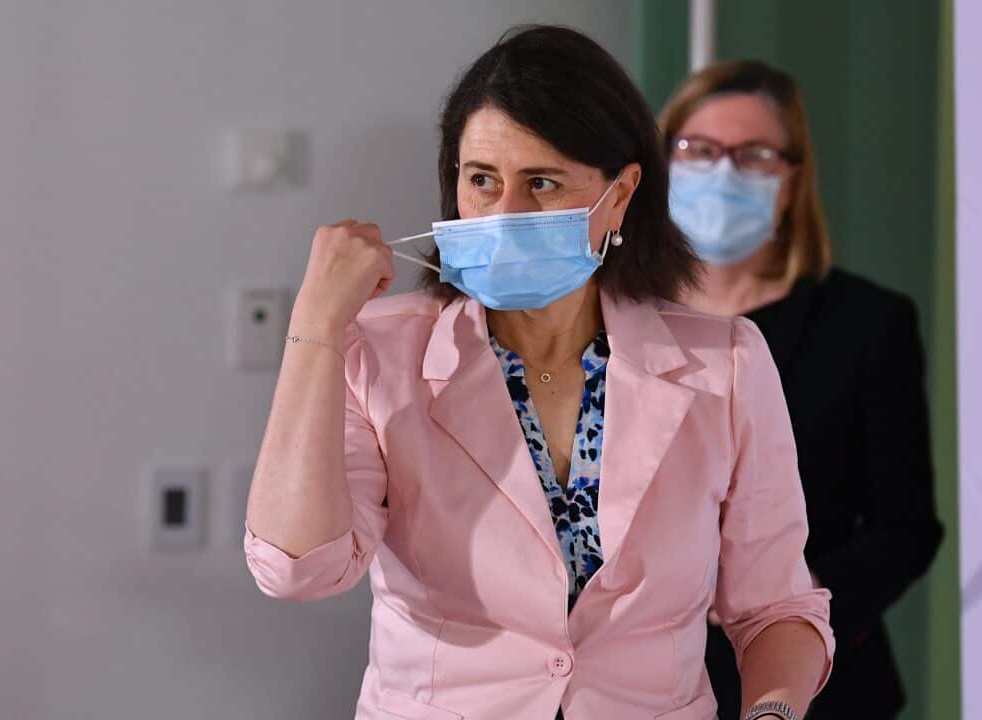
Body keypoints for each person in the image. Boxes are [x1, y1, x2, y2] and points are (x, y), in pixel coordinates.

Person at [243, 27, 832, 720]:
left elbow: (777, 607)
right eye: (482, 180)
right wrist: (316, 328)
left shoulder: (726, 361)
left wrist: (772, 711)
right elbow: (296, 568)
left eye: (542, 183)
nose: (504, 214)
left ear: (619, 196)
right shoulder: (382, 351)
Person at [659, 60, 944, 720]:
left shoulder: (870, 324)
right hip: (643, 679)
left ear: (791, 182)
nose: (723, 173)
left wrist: (783, 602)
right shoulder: (615, 316)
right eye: (699, 150)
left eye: (754, 155)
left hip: (820, 685)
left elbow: (906, 528)